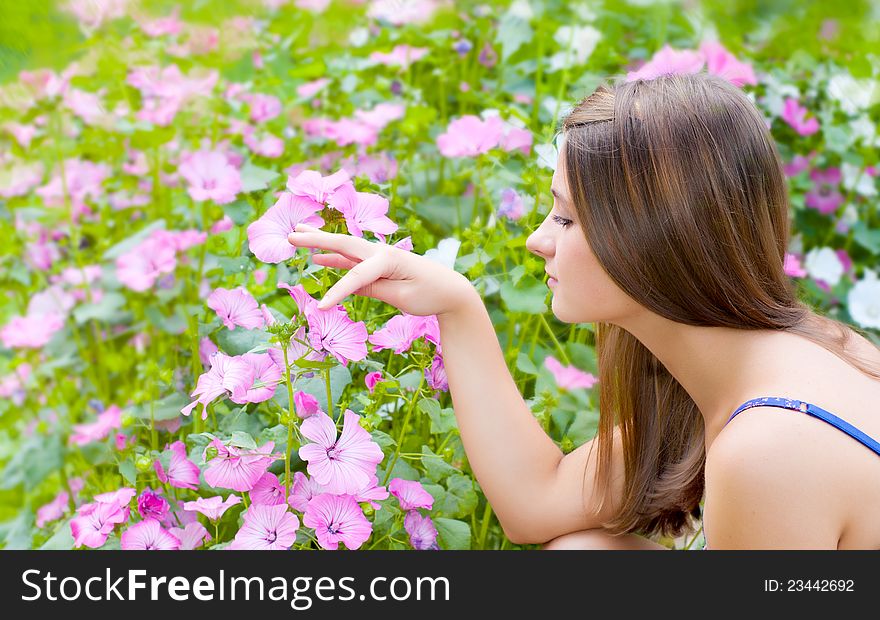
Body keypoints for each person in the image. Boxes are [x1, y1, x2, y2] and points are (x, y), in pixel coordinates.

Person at [287, 71, 880, 550]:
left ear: (655, 240)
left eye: (567, 219)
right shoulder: (784, 354)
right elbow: (535, 504)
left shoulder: (769, 452)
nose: (537, 241)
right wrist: (457, 306)